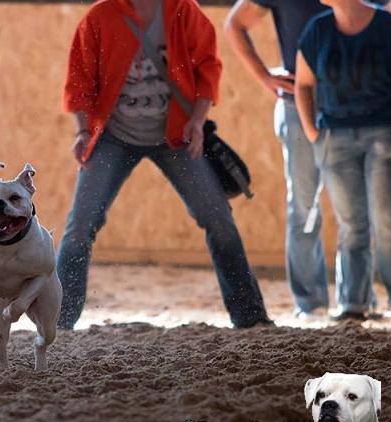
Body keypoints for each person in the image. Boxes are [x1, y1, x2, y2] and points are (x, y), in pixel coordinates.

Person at [58, 0, 272, 329]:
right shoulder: (100, 17)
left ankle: (251, 318)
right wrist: (83, 132)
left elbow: (208, 69)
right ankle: (58, 322)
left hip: (176, 135)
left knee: (219, 219)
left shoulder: (183, 11)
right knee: (78, 229)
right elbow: (80, 80)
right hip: (112, 136)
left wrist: (198, 122)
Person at [225, 1, 335, 321]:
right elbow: (234, 24)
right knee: (304, 204)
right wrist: (263, 76)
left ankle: (357, 301)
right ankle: (312, 304)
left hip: (357, 105)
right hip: (298, 105)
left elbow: (383, 20)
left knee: (362, 208)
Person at [295, 0, 391, 320]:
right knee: (352, 224)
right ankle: (354, 304)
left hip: (383, 135)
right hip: (335, 139)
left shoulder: (384, 24)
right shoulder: (318, 29)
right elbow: (303, 84)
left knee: (387, 222)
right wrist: (313, 133)